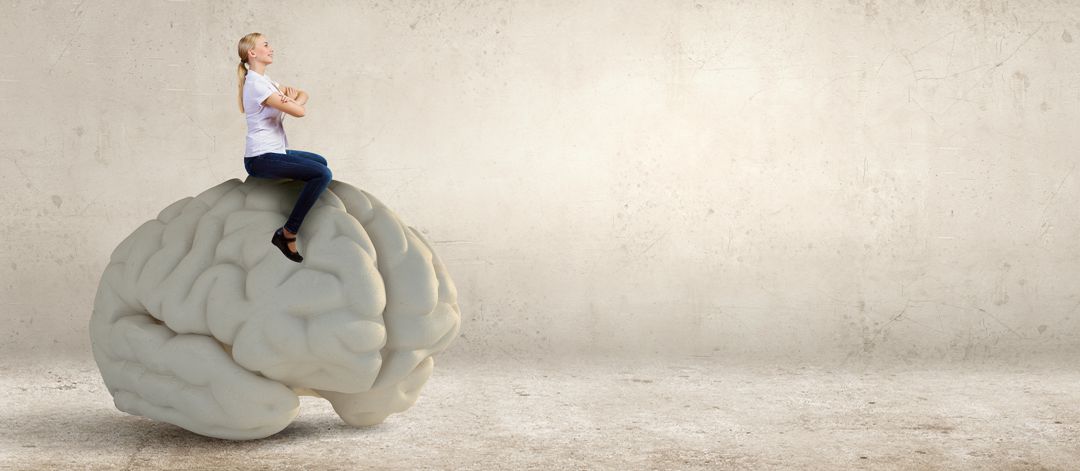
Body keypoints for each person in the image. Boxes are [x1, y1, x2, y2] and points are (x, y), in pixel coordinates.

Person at [236, 32, 332, 263]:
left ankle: (291, 201)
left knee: (319, 161)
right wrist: (291, 102)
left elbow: (303, 94)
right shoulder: (256, 85)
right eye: (266, 45)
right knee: (323, 174)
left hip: (274, 151)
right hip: (261, 158)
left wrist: (292, 101)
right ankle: (288, 232)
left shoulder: (268, 82)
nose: (271, 48)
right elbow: (300, 111)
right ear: (252, 53)